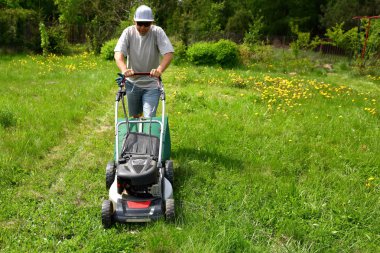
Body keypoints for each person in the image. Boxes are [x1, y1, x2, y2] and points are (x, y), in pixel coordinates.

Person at [114, 5, 174, 118]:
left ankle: (148, 134)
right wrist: (124, 69)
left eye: (146, 24)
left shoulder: (157, 32)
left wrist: (159, 70)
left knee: (149, 119)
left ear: (152, 23)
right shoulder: (128, 32)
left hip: (151, 84)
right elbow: (118, 54)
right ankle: (137, 135)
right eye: (139, 23)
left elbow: (168, 54)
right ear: (134, 21)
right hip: (132, 83)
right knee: (136, 116)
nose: (142, 27)